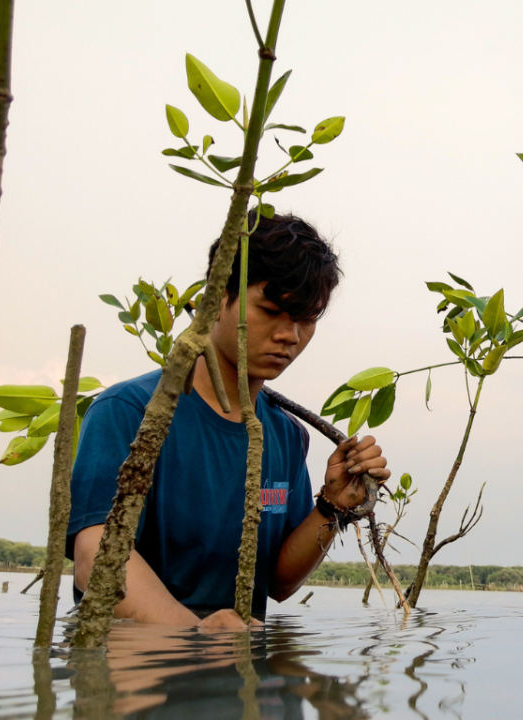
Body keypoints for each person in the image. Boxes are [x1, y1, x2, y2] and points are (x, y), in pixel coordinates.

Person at [67, 215, 388, 631]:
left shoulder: (286, 435)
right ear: (216, 299)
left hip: (235, 662)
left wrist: (330, 505)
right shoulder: (128, 411)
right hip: (135, 660)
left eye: (305, 319)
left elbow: (277, 582)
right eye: (271, 310)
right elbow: (95, 558)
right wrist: (196, 637)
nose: (289, 335)